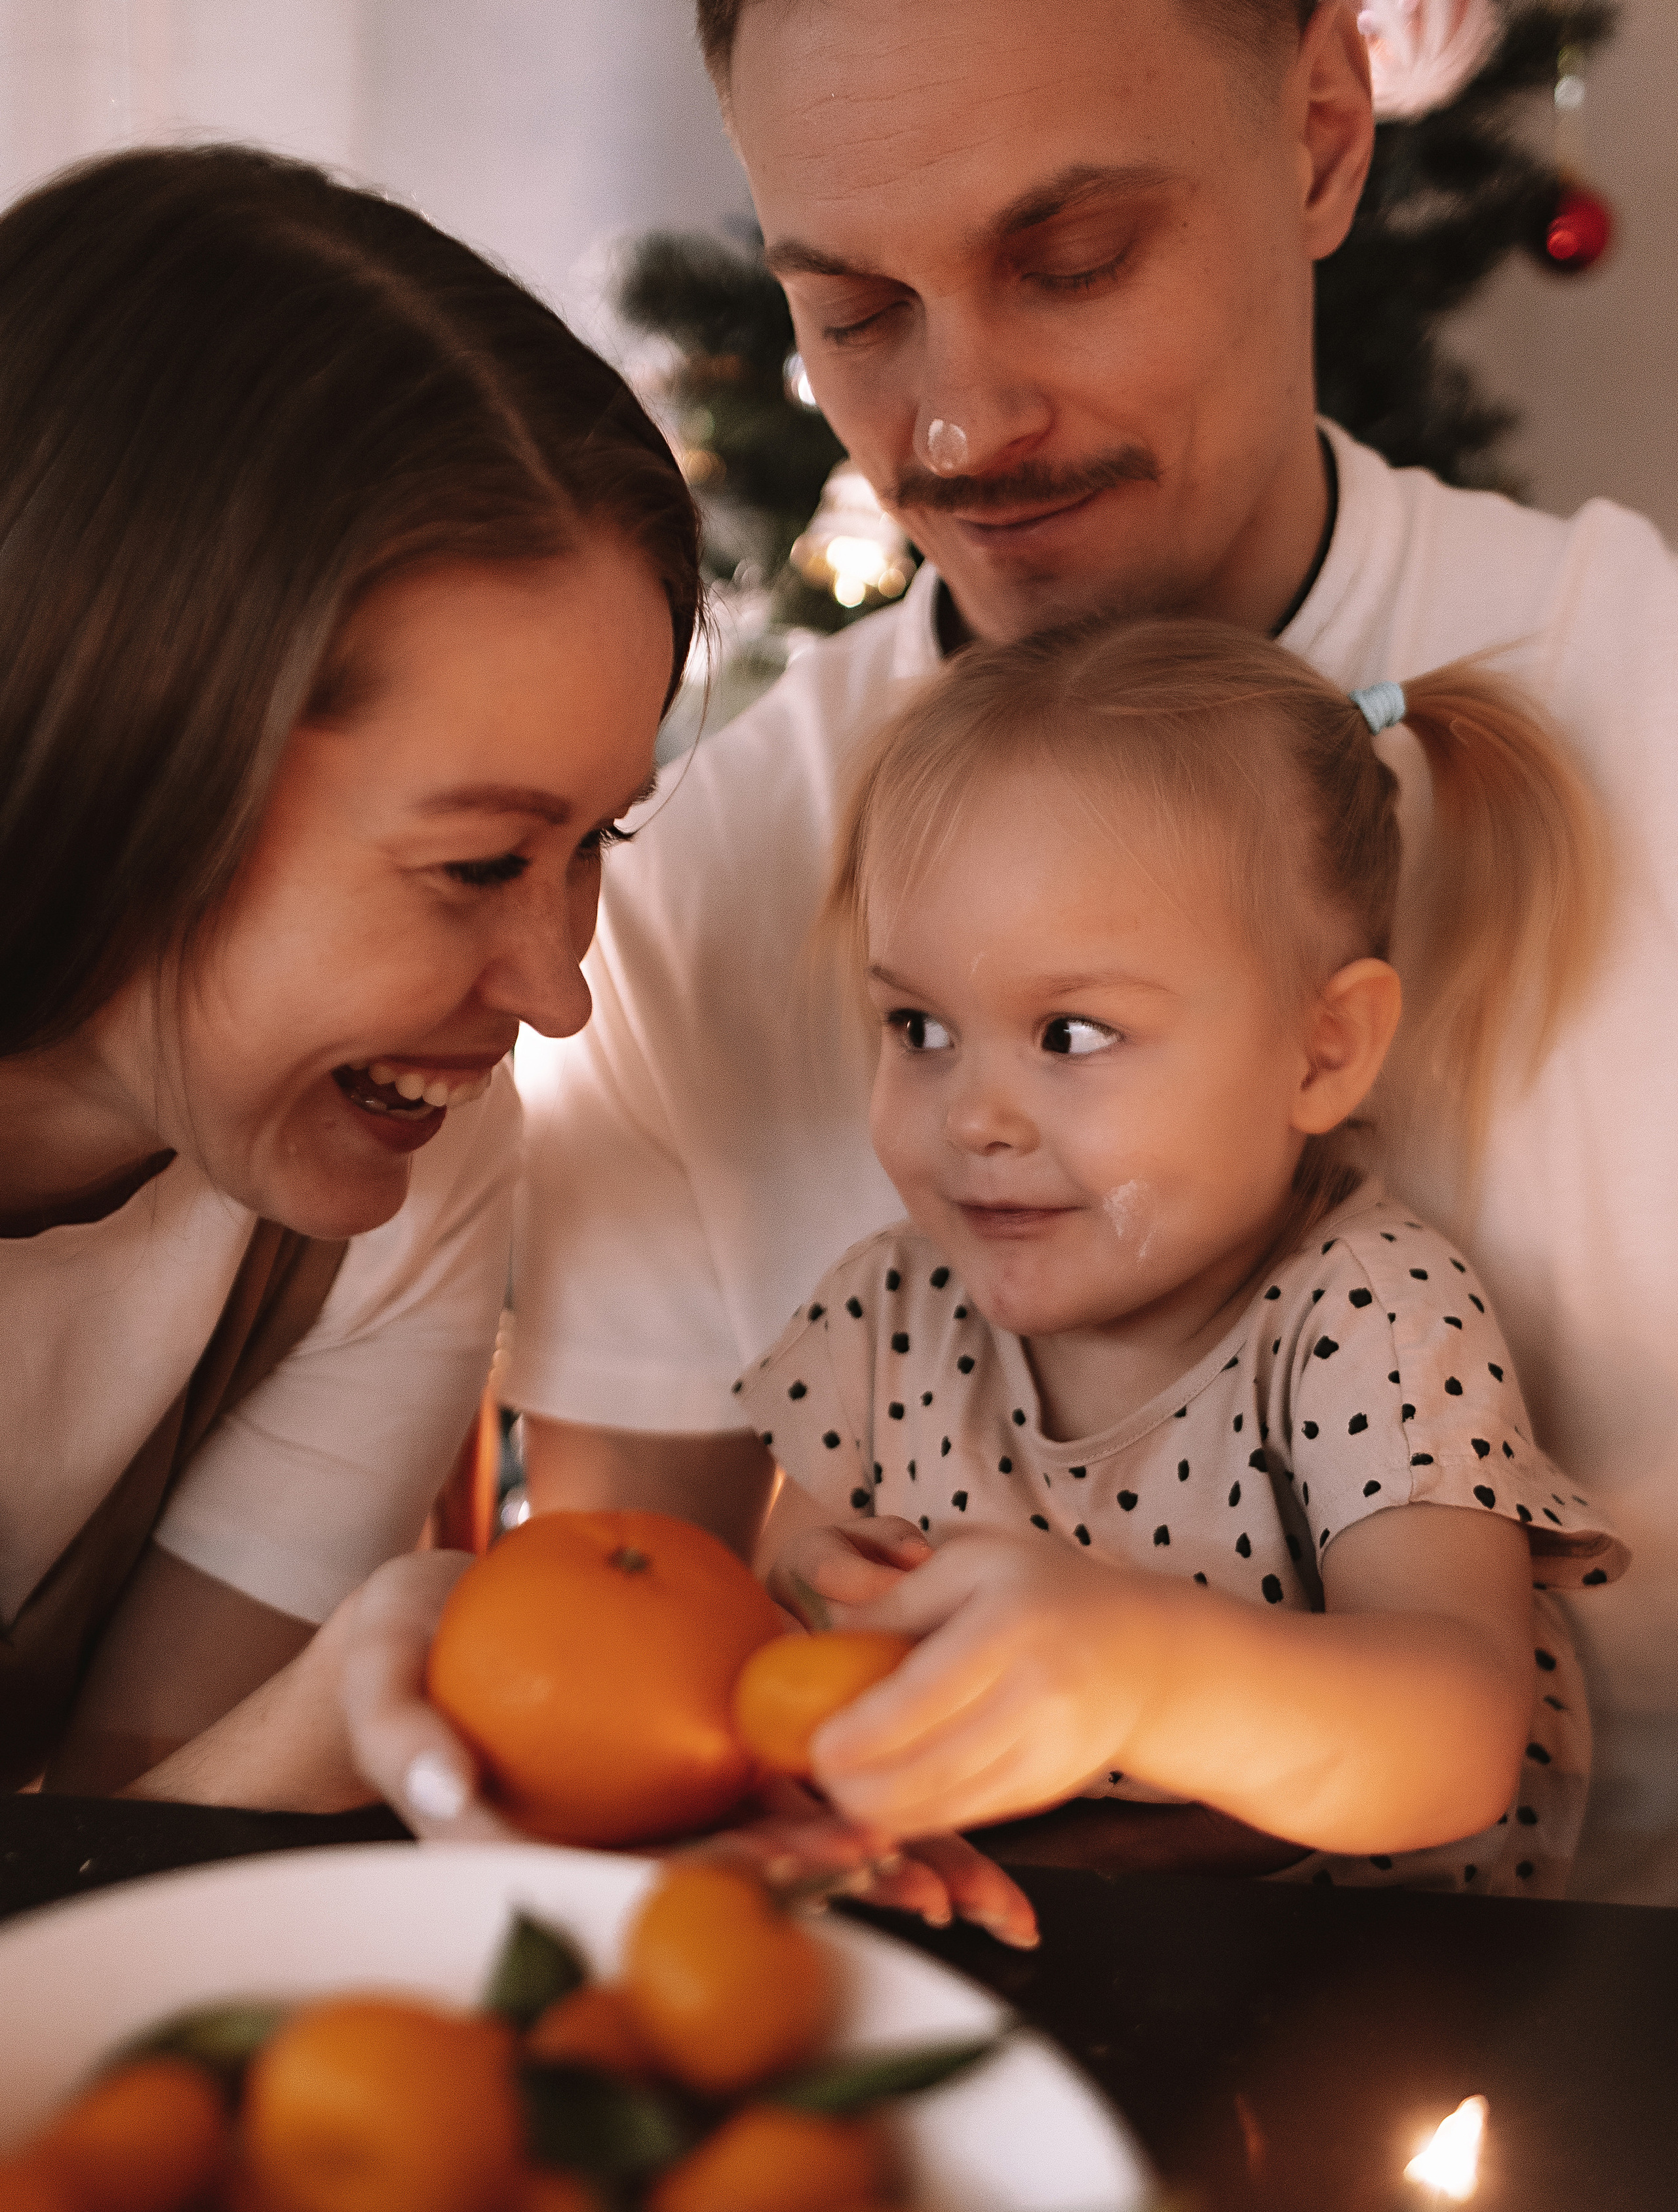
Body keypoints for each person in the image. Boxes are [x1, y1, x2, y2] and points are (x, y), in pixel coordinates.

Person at [504, 0, 1678, 1905]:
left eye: (1072, 261)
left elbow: (1452, 1720)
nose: (957, 430)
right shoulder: (697, 888)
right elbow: (632, 1678)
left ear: (1322, 131)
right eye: (854, 312)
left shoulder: (1642, 703)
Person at [0, 145, 698, 1808]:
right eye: (479, 863)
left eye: (597, 838)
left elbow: (129, 1872)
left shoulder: (399, 1165)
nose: (556, 993)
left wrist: (350, 1689)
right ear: (119, 762)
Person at [737, 615, 1625, 1893]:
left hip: (1356, 1981)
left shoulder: (1368, 1314)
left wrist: (1143, 1669)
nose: (974, 1118)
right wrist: (812, 1626)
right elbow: (781, 1620)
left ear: (1321, 1051)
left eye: (1072, 1034)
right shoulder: (886, 1314)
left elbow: (1461, 1730)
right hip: (993, 1954)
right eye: (918, 1027)